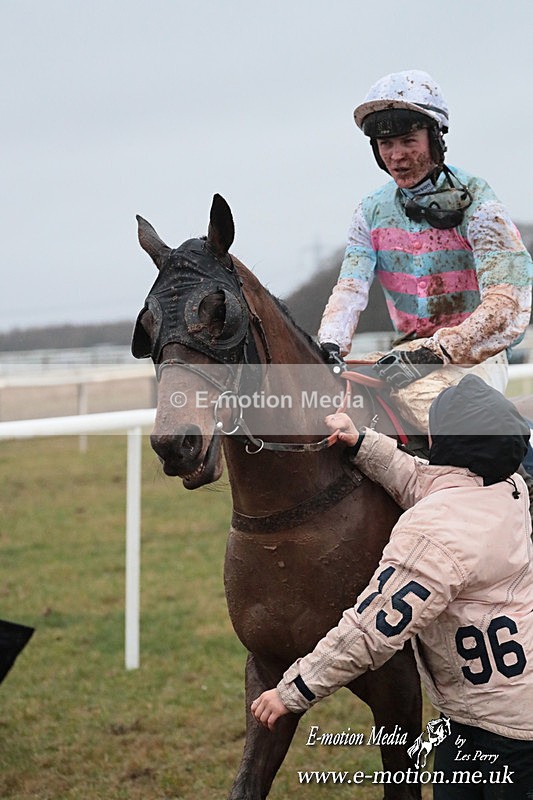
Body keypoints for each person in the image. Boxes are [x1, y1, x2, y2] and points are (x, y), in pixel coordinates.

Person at [251, 375, 533, 798]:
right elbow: (428, 481)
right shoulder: (507, 485)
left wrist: (292, 692)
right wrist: (364, 442)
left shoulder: (434, 532)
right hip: (495, 716)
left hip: (498, 736)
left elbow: (372, 631)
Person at [318, 69, 532, 432]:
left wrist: (437, 352)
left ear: (434, 138)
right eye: (385, 145)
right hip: (406, 350)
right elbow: (351, 288)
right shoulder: (369, 212)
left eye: (407, 141)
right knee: (331, 397)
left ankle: (522, 469)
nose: (396, 156)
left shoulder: (479, 204)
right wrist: (329, 343)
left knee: (422, 402)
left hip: (474, 356)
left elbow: (508, 305)